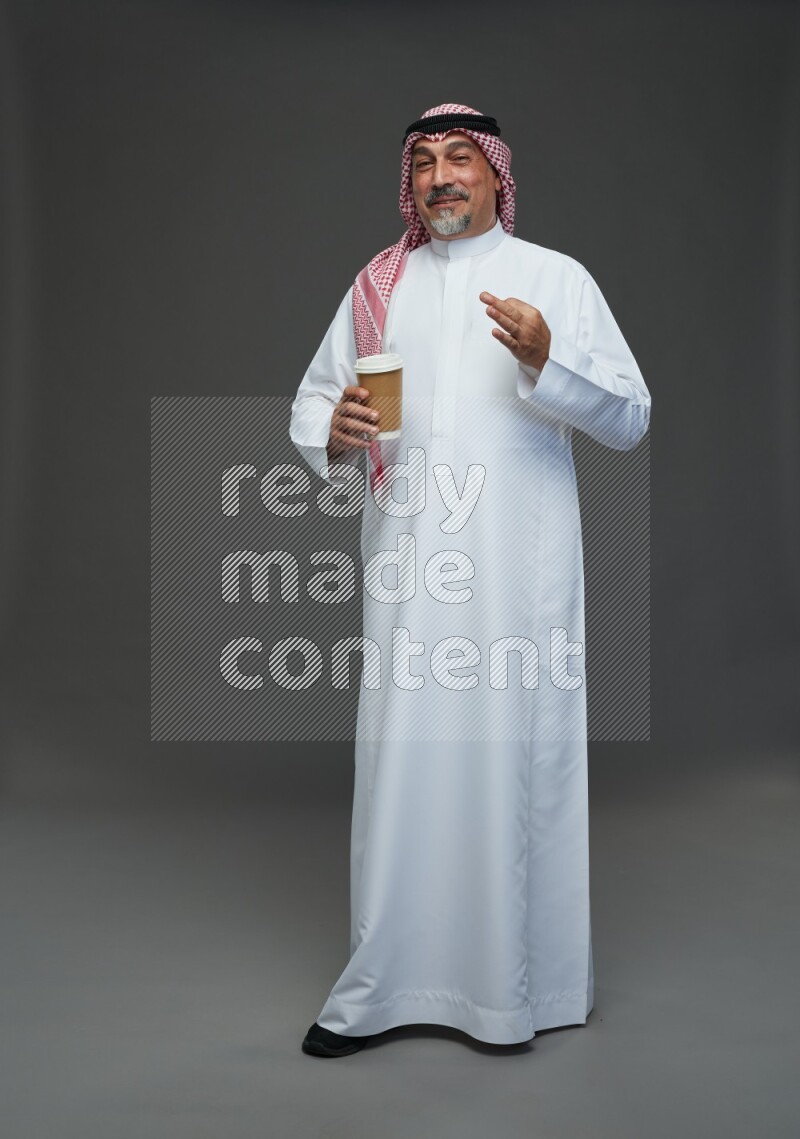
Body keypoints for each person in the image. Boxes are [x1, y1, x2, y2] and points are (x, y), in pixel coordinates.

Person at [289, 103, 651, 1058]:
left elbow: (630, 416)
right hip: (409, 570)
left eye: (461, 158)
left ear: (497, 174)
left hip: (518, 576)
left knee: (510, 764)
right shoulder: (379, 287)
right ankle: (382, 987)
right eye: (424, 163)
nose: (442, 176)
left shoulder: (555, 279)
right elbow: (316, 401)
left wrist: (547, 358)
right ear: (409, 184)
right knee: (399, 765)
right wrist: (332, 431)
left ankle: (509, 992)